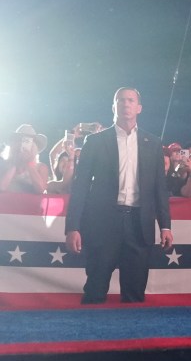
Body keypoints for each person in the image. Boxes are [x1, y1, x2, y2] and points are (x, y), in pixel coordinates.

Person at [64, 88, 174, 304]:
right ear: (113, 106)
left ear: (139, 108)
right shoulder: (95, 142)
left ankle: (132, 337)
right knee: (95, 289)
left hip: (139, 224)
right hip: (103, 223)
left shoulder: (152, 143)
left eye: (131, 100)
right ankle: (89, 335)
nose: (126, 103)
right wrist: (72, 227)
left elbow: (160, 189)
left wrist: (166, 226)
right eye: (121, 100)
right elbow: (80, 187)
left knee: (134, 294)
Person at [0, 124, 50, 194]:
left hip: (30, 204)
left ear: (34, 146)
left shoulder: (41, 168)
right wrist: (15, 163)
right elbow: (2, 187)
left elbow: (40, 189)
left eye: (27, 142)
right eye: (20, 140)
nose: (23, 145)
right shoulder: (4, 164)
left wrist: (29, 163)